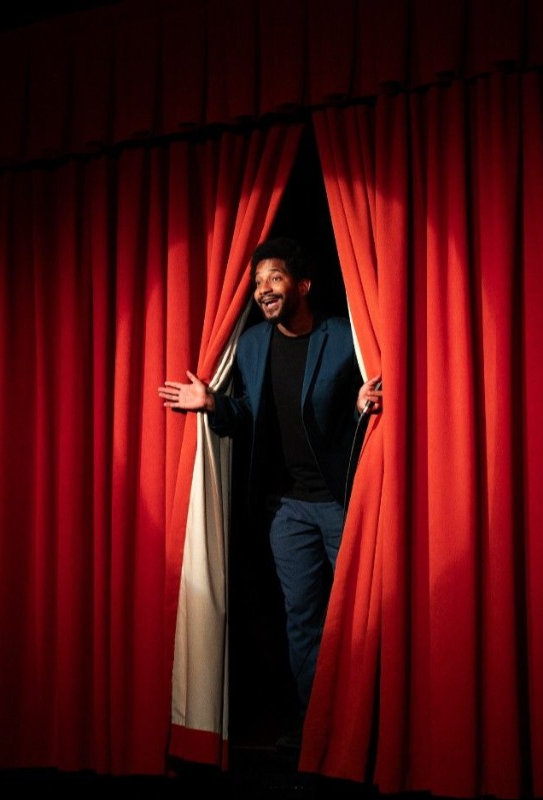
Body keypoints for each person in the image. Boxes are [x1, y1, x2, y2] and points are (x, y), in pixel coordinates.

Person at [158, 237, 382, 749]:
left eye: (274, 278)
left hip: (342, 502)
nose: (263, 290)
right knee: (303, 621)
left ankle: (364, 729)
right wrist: (212, 403)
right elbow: (248, 416)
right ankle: (314, 726)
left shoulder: (344, 337)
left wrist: (361, 405)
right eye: (258, 282)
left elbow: (359, 410)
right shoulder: (254, 344)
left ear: (303, 285)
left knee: (360, 616)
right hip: (285, 509)